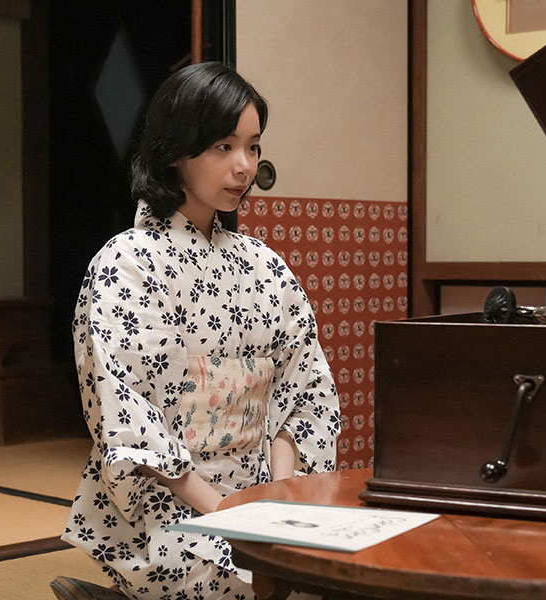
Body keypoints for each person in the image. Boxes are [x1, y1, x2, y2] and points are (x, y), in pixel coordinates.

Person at [62, 62, 340, 599]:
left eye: (253, 147)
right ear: (175, 151)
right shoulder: (126, 264)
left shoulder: (264, 266)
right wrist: (229, 513)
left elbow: (304, 389)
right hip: (169, 503)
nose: (243, 166)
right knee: (256, 586)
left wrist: (279, 499)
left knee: (337, 574)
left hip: (260, 496)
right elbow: (127, 418)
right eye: (223, 146)